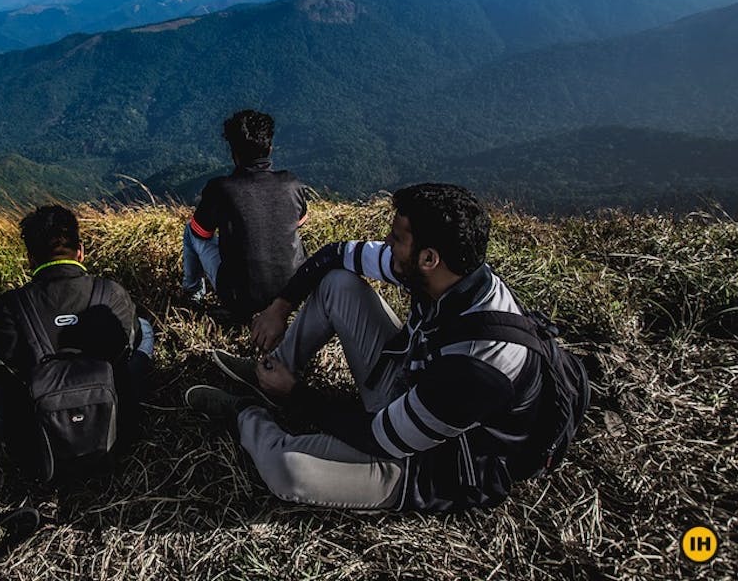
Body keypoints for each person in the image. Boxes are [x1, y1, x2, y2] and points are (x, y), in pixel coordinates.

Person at [187, 183, 566, 512]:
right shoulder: (447, 275)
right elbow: (336, 255)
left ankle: (246, 413)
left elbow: (382, 437)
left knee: (288, 471)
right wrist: (280, 307)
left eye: (397, 239)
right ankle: (270, 374)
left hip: (436, 460)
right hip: (416, 384)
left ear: (429, 258)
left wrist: (297, 396)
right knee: (338, 282)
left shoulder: (477, 365)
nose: (387, 244)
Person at [0, 205, 154, 475]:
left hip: (36, 449)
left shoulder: (10, 306)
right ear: (80, 250)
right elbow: (127, 346)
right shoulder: (111, 293)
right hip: (115, 437)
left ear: (31, 259)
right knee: (144, 329)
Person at [182, 109, 308, 322]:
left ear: (234, 153)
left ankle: (193, 293)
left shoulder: (220, 189)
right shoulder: (292, 184)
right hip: (293, 292)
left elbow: (200, 232)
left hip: (240, 297)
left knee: (190, 231)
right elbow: (300, 222)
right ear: (270, 147)